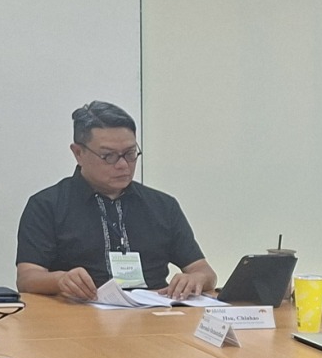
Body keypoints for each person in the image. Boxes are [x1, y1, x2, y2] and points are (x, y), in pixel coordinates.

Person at [16, 101, 217, 302]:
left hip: (154, 310)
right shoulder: (47, 205)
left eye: (130, 154)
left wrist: (196, 279)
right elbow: (27, 278)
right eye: (108, 156)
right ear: (78, 153)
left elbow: (204, 271)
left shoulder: (163, 206)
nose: (123, 165)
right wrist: (60, 280)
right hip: (80, 311)